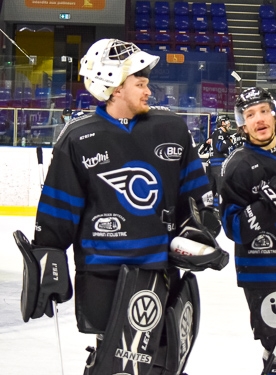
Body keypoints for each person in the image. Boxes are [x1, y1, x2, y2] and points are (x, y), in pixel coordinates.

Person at [19, 39, 225, 374]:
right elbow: (60, 208)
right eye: (140, 84)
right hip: (102, 275)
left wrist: (200, 231)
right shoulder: (79, 138)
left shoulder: (171, 129)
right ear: (114, 88)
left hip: (161, 272)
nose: (148, 91)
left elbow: (196, 198)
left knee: (163, 364)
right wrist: (49, 256)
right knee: (114, 364)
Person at [219, 87, 276, 374]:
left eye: (264, 111)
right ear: (242, 124)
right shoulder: (237, 166)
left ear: (275, 115)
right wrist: (272, 203)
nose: (259, 119)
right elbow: (234, 229)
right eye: (250, 114)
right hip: (263, 269)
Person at [208, 114, 235, 206]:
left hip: (216, 165)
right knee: (221, 190)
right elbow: (220, 147)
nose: (229, 124)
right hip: (218, 165)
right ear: (222, 122)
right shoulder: (219, 132)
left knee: (213, 190)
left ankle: (211, 210)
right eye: (227, 121)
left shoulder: (222, 134)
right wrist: (230, 141)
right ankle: (219, 212)